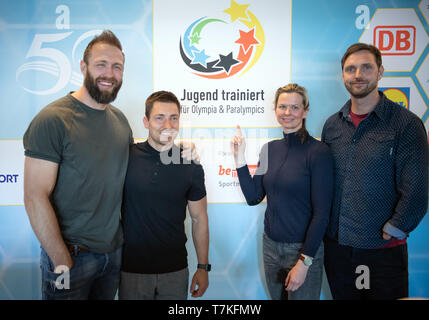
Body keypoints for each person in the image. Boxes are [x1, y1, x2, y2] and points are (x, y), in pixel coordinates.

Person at [23, 30, 132, 300]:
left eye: (117, 66)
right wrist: (60, 256)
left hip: (113, 257)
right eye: (101, 64)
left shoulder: (121, 122)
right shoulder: (53, 120)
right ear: (83, 67)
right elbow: (34, 196)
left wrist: (173, 149)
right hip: (70, 258)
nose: (109, 73)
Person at [322, 43, 428, 300]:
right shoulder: (332, 125)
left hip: (382, 251)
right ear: (343, 76)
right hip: (337, 248)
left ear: (380, 72)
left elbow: (418, 187)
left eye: (366, 67)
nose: (358, 74)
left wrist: (396, 228)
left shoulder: (405, 124)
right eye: (350, 69)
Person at [231, 83, 334, 300]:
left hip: (303, 251)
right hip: (270, 248)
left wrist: (305, 262)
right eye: (282, 107)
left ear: (305, 111)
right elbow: (253, 197)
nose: (288, 113)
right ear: (275, 109)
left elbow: (322, 214)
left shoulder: (318, 152)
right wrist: (239, 157)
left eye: (295, 108)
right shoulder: (269, 149)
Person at [119, 90, 210, 300]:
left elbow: (199, 218)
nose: (168, 125)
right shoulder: (126, 157)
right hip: (131, 269)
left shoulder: (190, 163)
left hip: (175, 270)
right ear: (146, 121)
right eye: (159, 118)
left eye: (173, 118)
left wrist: (203, 267)